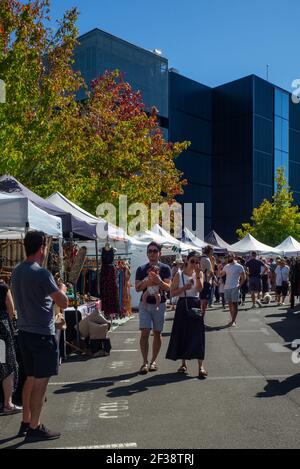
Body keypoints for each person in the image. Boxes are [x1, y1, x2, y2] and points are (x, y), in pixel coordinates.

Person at [11, 231, 68, 441]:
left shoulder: (17, 271)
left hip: (24, 333)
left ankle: (26, 422)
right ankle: (34, 426)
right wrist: (61, 288)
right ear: (42, 247)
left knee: (31, 378)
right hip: (41, 334)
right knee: (40, 383)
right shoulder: (42, 273)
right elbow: (63, 302)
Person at [166, 251, 207, 378]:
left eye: (196, 262)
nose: (194, 264)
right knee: (183, 334)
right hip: (183, 305)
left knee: (198, 335)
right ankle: (183, 363)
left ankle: (201, 366)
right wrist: (184, 288)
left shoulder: (199, 273)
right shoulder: (179, 274)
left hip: (195, 304)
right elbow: (172, 293)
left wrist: (198, 276)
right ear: (187, 261)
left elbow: (200, 289)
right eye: (192, 261)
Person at [135, 242, 171, 374]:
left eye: (155, 251)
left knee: (157, 332)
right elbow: (138, 288)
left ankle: (153, 361)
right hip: (144, 304)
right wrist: (147, 282)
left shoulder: (165, 268)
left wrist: (158, 281)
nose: (152, 253)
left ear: (159, 253)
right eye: (149, 251)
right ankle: (144, 362)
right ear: (146, 253)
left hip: (159, 304)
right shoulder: (141, 269)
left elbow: (168, 287)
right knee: (145, 331)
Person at [0, 260, 22, 415]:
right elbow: (11, 309)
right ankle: (7, 403)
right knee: (6, 365)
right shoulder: (2, 287)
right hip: (1, 328)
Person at [221, 254, 246, 327]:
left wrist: (240, 285)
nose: (228, 258)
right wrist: (220, 270)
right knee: (230, 304)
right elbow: (222, 274)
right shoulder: (226, 266)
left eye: (229, 257)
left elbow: (244, 277)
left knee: (235, 304)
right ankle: (233, 319)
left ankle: (233, 321)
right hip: (227, 287)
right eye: (227, 257)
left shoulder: (239, 266)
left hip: (235, 287)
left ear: (233, 257)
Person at [200, 245, 214, 319]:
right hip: (206, 282)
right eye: (212, 251)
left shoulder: (200, 258)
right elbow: (211, 272)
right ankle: (201, 319)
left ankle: (199, 319)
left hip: (200, 281)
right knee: (204, 302)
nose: (213, 253)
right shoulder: (207, 259)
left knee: (201, 300)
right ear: (209, 251)